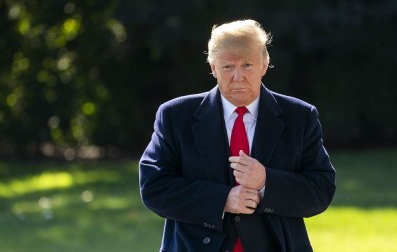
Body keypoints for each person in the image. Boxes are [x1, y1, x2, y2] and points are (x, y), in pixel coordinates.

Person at [139, 19, 336, 252]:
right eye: (228, 67)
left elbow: (320, 190)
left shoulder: (300, 117)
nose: (238, 76)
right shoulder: (175, 116)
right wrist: (222, 199)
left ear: (264, 64)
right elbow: (154, 187)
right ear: (213, 67)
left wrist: (266, 182)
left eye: (247, 65)